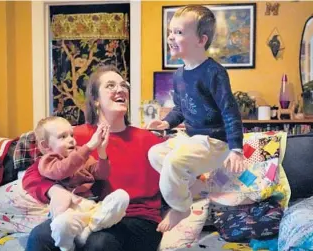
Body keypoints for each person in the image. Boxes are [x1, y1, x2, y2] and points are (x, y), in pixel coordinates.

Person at [23, 65, 164, 251]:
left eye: (123, 85)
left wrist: (178, 210)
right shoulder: (74, 138)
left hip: (138, 219)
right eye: (111, 85)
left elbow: (183, 174)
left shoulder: (149, 140)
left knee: (100, 242)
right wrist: (53, 190)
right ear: (96, 100)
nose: (120, 89)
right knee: (40, 236)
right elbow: (33, 174)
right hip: (88, 213)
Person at [147, 5, 246, 232]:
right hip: (191, 138)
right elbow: (181, 109)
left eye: (179, 32)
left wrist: (236, 149)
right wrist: (166, 123)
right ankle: (196, 185)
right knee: (155, 154)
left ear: (201, 40)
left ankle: (181, 207)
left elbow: (230, 111)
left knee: (174, 162)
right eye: (170, 32)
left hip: (214, 142)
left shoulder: (214, 73)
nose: (171, 37)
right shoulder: (179, 75)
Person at [34, 116, 129, 251]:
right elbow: (62, 170)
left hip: (91, 208)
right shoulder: (47, 162)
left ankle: (92, 227)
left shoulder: (81, 155)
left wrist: (102, 152)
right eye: (63, 137)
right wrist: (89, 146)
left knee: (121, 196)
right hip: (69, 212)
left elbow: (102, 174)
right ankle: (67, 247)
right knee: (61, 224)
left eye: (71, 135)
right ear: (45, 145)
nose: (71, 139)